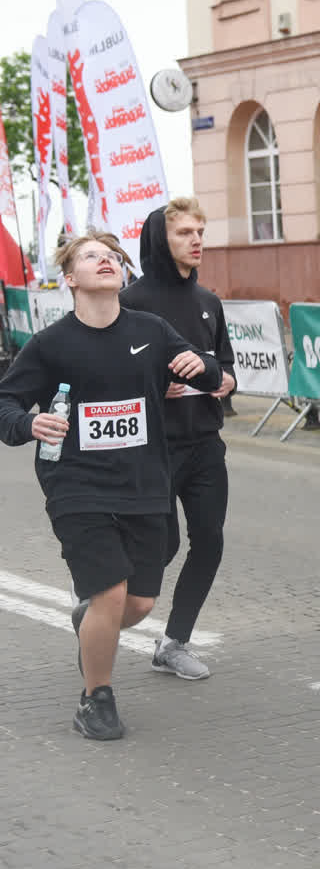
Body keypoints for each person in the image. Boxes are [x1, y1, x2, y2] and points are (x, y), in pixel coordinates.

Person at [0, 232, 221, 740]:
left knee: (137, 604)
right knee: (112, 593)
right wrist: (27, 425)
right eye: (91, 257)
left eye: (112, 257)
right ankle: (95, 698)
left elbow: (209, 374)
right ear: (71, 279)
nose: (106, 261)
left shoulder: (152, 330)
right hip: (76, 485)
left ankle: (95, 621)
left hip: (144, 482)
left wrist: (201, 367)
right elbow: (5, 405)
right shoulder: (51, 344)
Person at [119, 198, 236, 681]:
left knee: (208, 541)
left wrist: (224, 380)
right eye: (185, 232)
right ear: (159, 241)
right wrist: (149, 386)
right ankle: (104, 604)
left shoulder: (209, 302)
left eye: (201, 232)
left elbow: (227, 371)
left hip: (205, 443)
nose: (197, 241)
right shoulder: (131, 302)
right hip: (153, 447)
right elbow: (108, 374)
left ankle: (174, 642)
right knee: (159, 546)